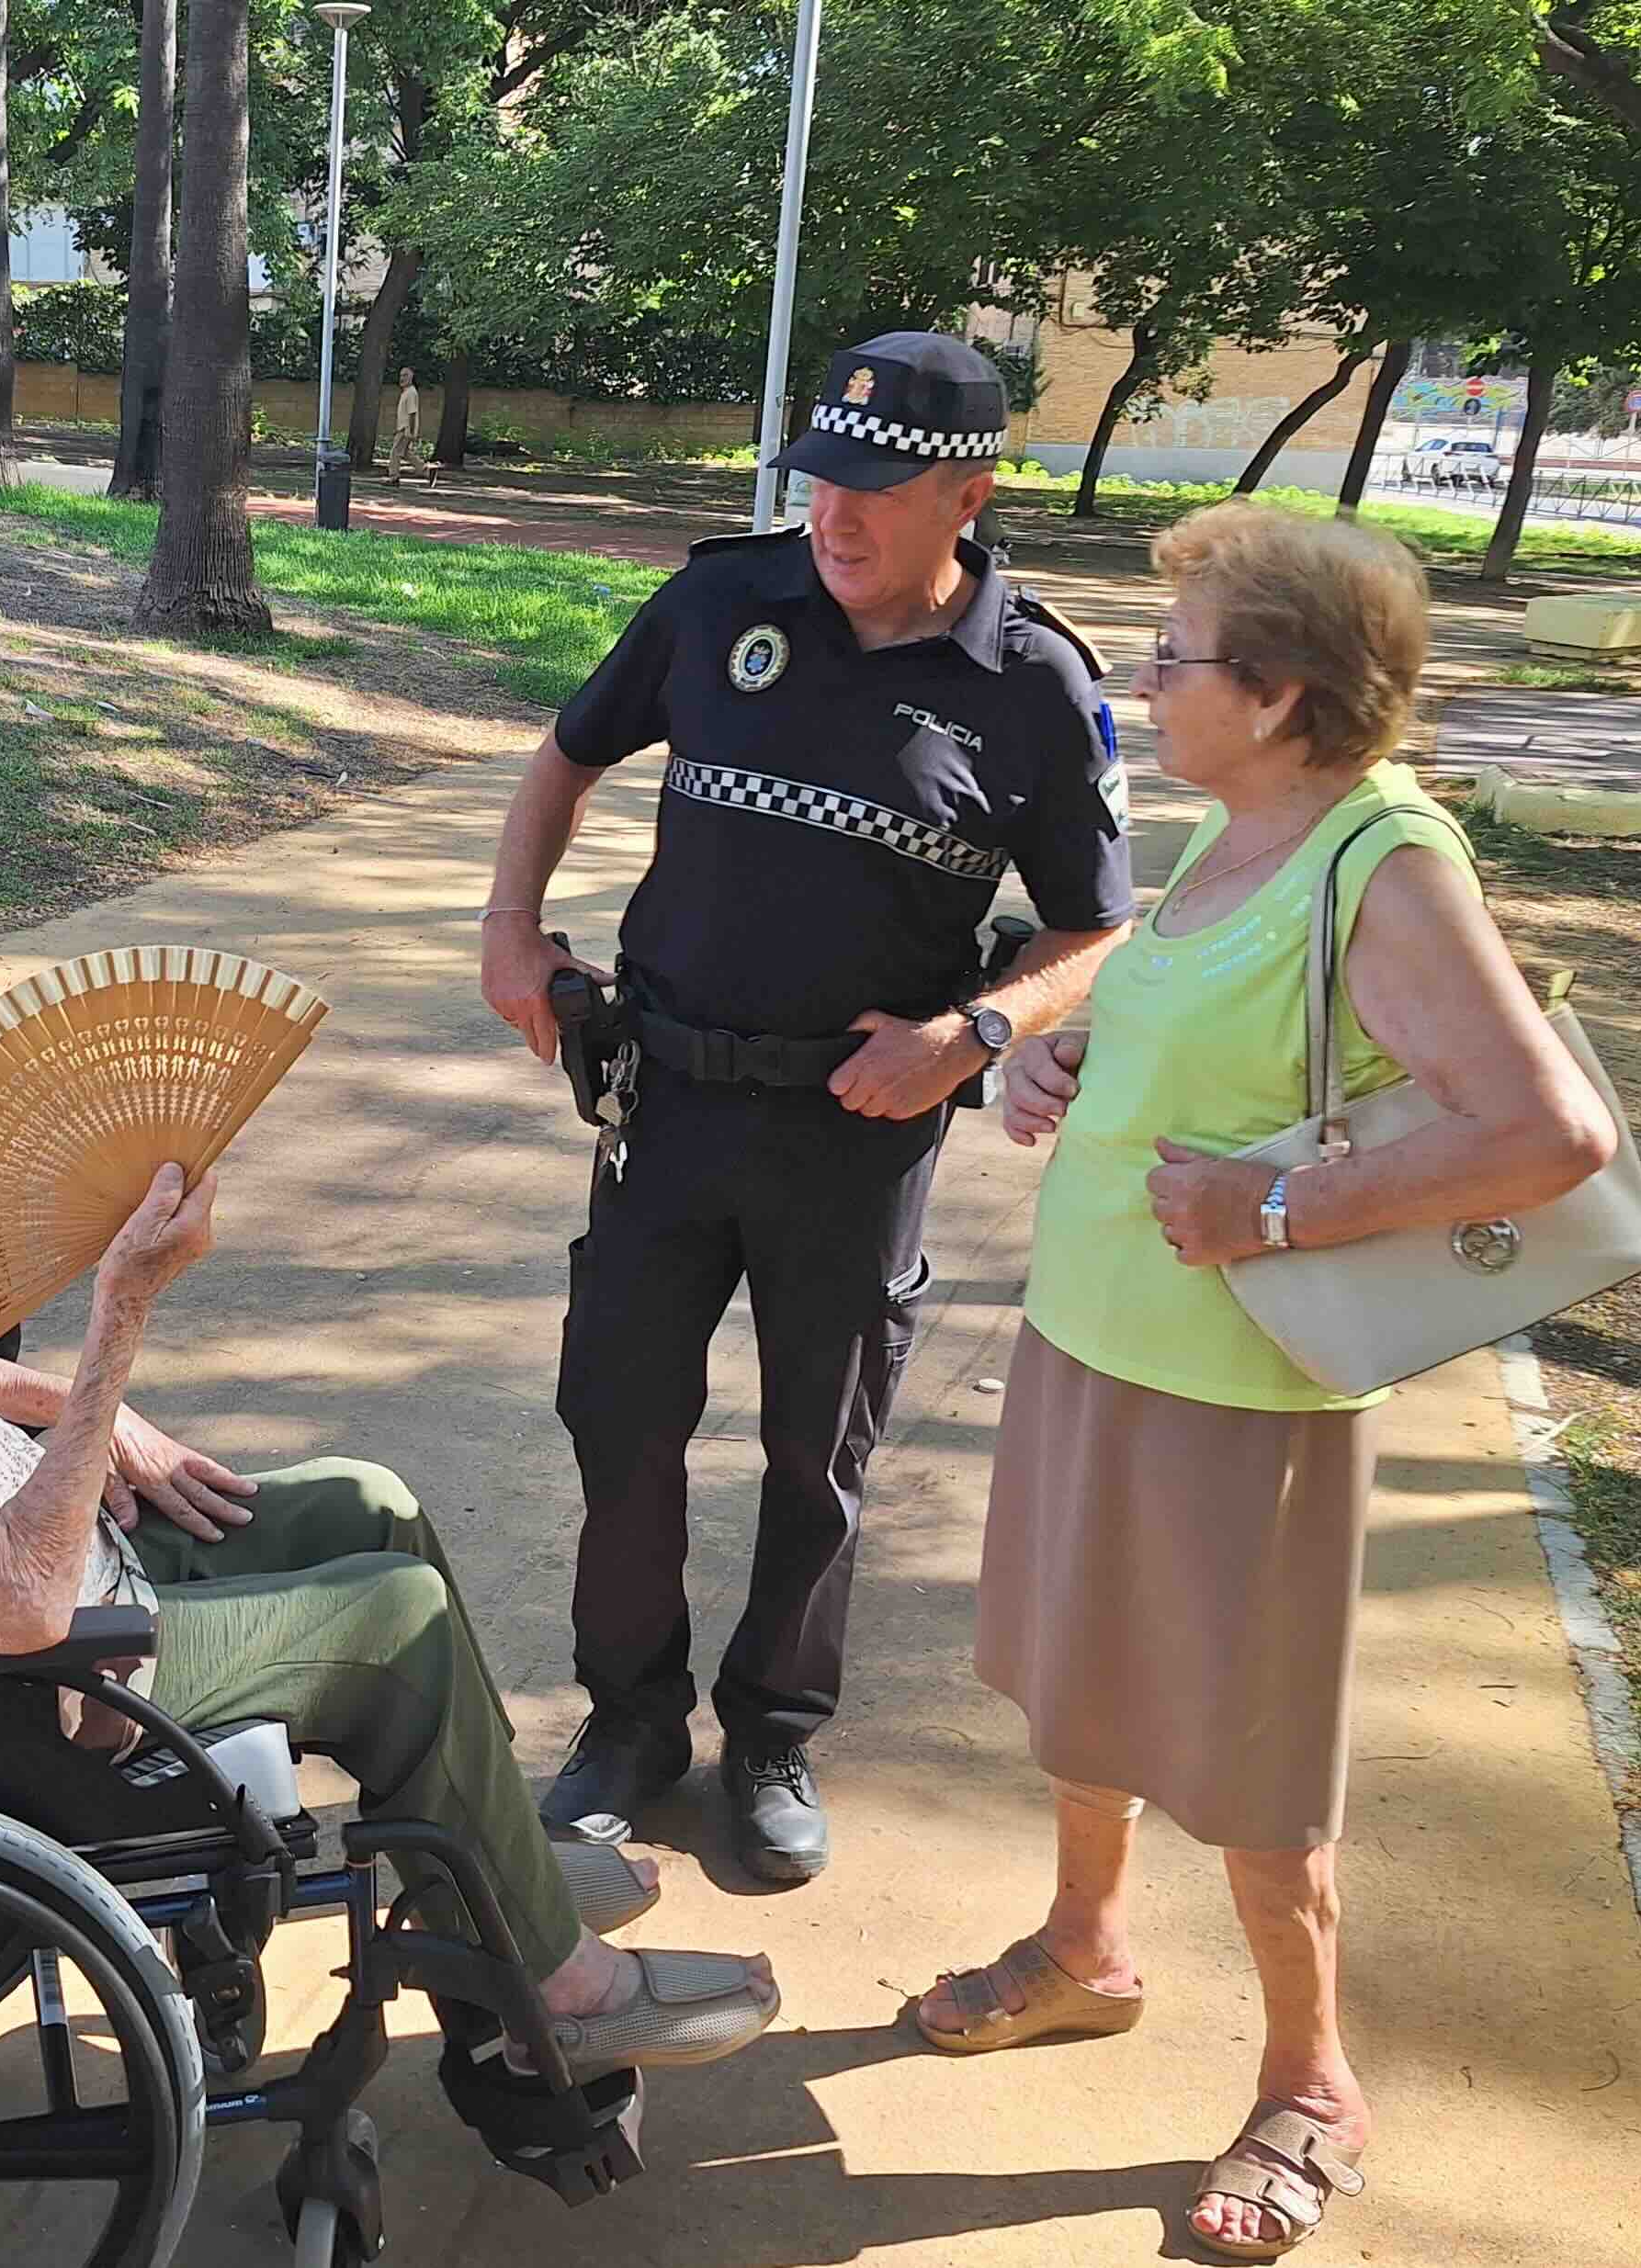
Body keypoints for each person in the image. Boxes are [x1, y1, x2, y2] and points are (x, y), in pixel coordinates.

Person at [0, 905, 787, 2076]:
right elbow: (19, 1609)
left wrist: (94, 1419)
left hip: (18, 1569)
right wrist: (121, 1316)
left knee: (363, 1500)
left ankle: (487, 1870)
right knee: (396, 1620)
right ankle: (563, 1989)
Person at [931, 501, 1619, 2262]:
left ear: (1283, 687)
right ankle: (1087, 1947)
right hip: (1099, 1340)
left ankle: (1311, 2078)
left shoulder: (1382, 861)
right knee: (1082, 1682)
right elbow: (1206, 1035)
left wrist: (1274, 1203)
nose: (1143, 681)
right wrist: (1073, 1055)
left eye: (1174, 658)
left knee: (1245, 1757)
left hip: (1242, 1387)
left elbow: (1547, 1132)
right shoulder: (1237, 831)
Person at [479, 333, 1134, 1883]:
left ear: (964, 493)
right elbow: (565, 754)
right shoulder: (723, 601)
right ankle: (627, 1722)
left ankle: (770, 1733)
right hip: (665, 1096)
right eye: (820, 478)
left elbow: (1091, 926)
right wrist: (513, 923)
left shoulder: (1028, 680)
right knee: (620, 1423)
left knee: (812, 1451)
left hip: (857, 1131)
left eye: (877, 487)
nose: (835, 513)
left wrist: (968, 1034)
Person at [391, 367, 425, 481]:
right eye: (401, 375)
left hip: (405, 429)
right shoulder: (407, 392)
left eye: (405, 375)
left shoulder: (411, 393)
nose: (402, 378)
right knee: (405, 453)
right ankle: (425, 469)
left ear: (411, 377)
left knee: (395, 452)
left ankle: (394, 477)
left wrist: (410, 430)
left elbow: (412, 413)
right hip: (403, 428)